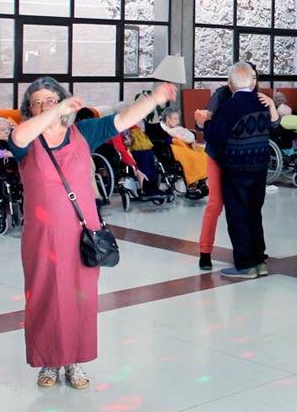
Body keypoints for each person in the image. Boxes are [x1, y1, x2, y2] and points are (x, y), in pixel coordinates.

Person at [10, 76, 177, 390]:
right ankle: (49, 360)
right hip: (42, 236)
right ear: (30, 110)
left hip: (81, 231)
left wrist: (154, 99)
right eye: (38, 103)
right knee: (44, 295)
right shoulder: (27, 138)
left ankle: (75, 361)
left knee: (79, 298)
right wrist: (56, 109)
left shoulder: (83, 132)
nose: (45, 106)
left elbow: (123, 119)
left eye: (50, 99)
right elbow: (19, 135)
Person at [193, 72, 279, 271]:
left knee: (238, 213)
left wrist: (205, 124)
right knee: (252, 212)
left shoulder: (235, 103)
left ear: (231, 81)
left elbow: (215, 134)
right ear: (250, 81)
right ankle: (257, 260)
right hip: (258, 165)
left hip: (235, 165)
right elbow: (274, 126)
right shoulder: (257, 101)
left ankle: (246, 264)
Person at [149, 106, 208, 190]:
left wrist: (191, 140)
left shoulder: (176, 128)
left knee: (203, 153)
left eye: (178, 119)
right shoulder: (156, 129)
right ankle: (192, 183)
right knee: (190, 156)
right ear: (168, 119)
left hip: (185, 148)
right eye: (175, 119)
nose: (178, 121)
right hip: (169, 153)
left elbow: (189, 134)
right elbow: (159, 142)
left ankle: (201, 180)